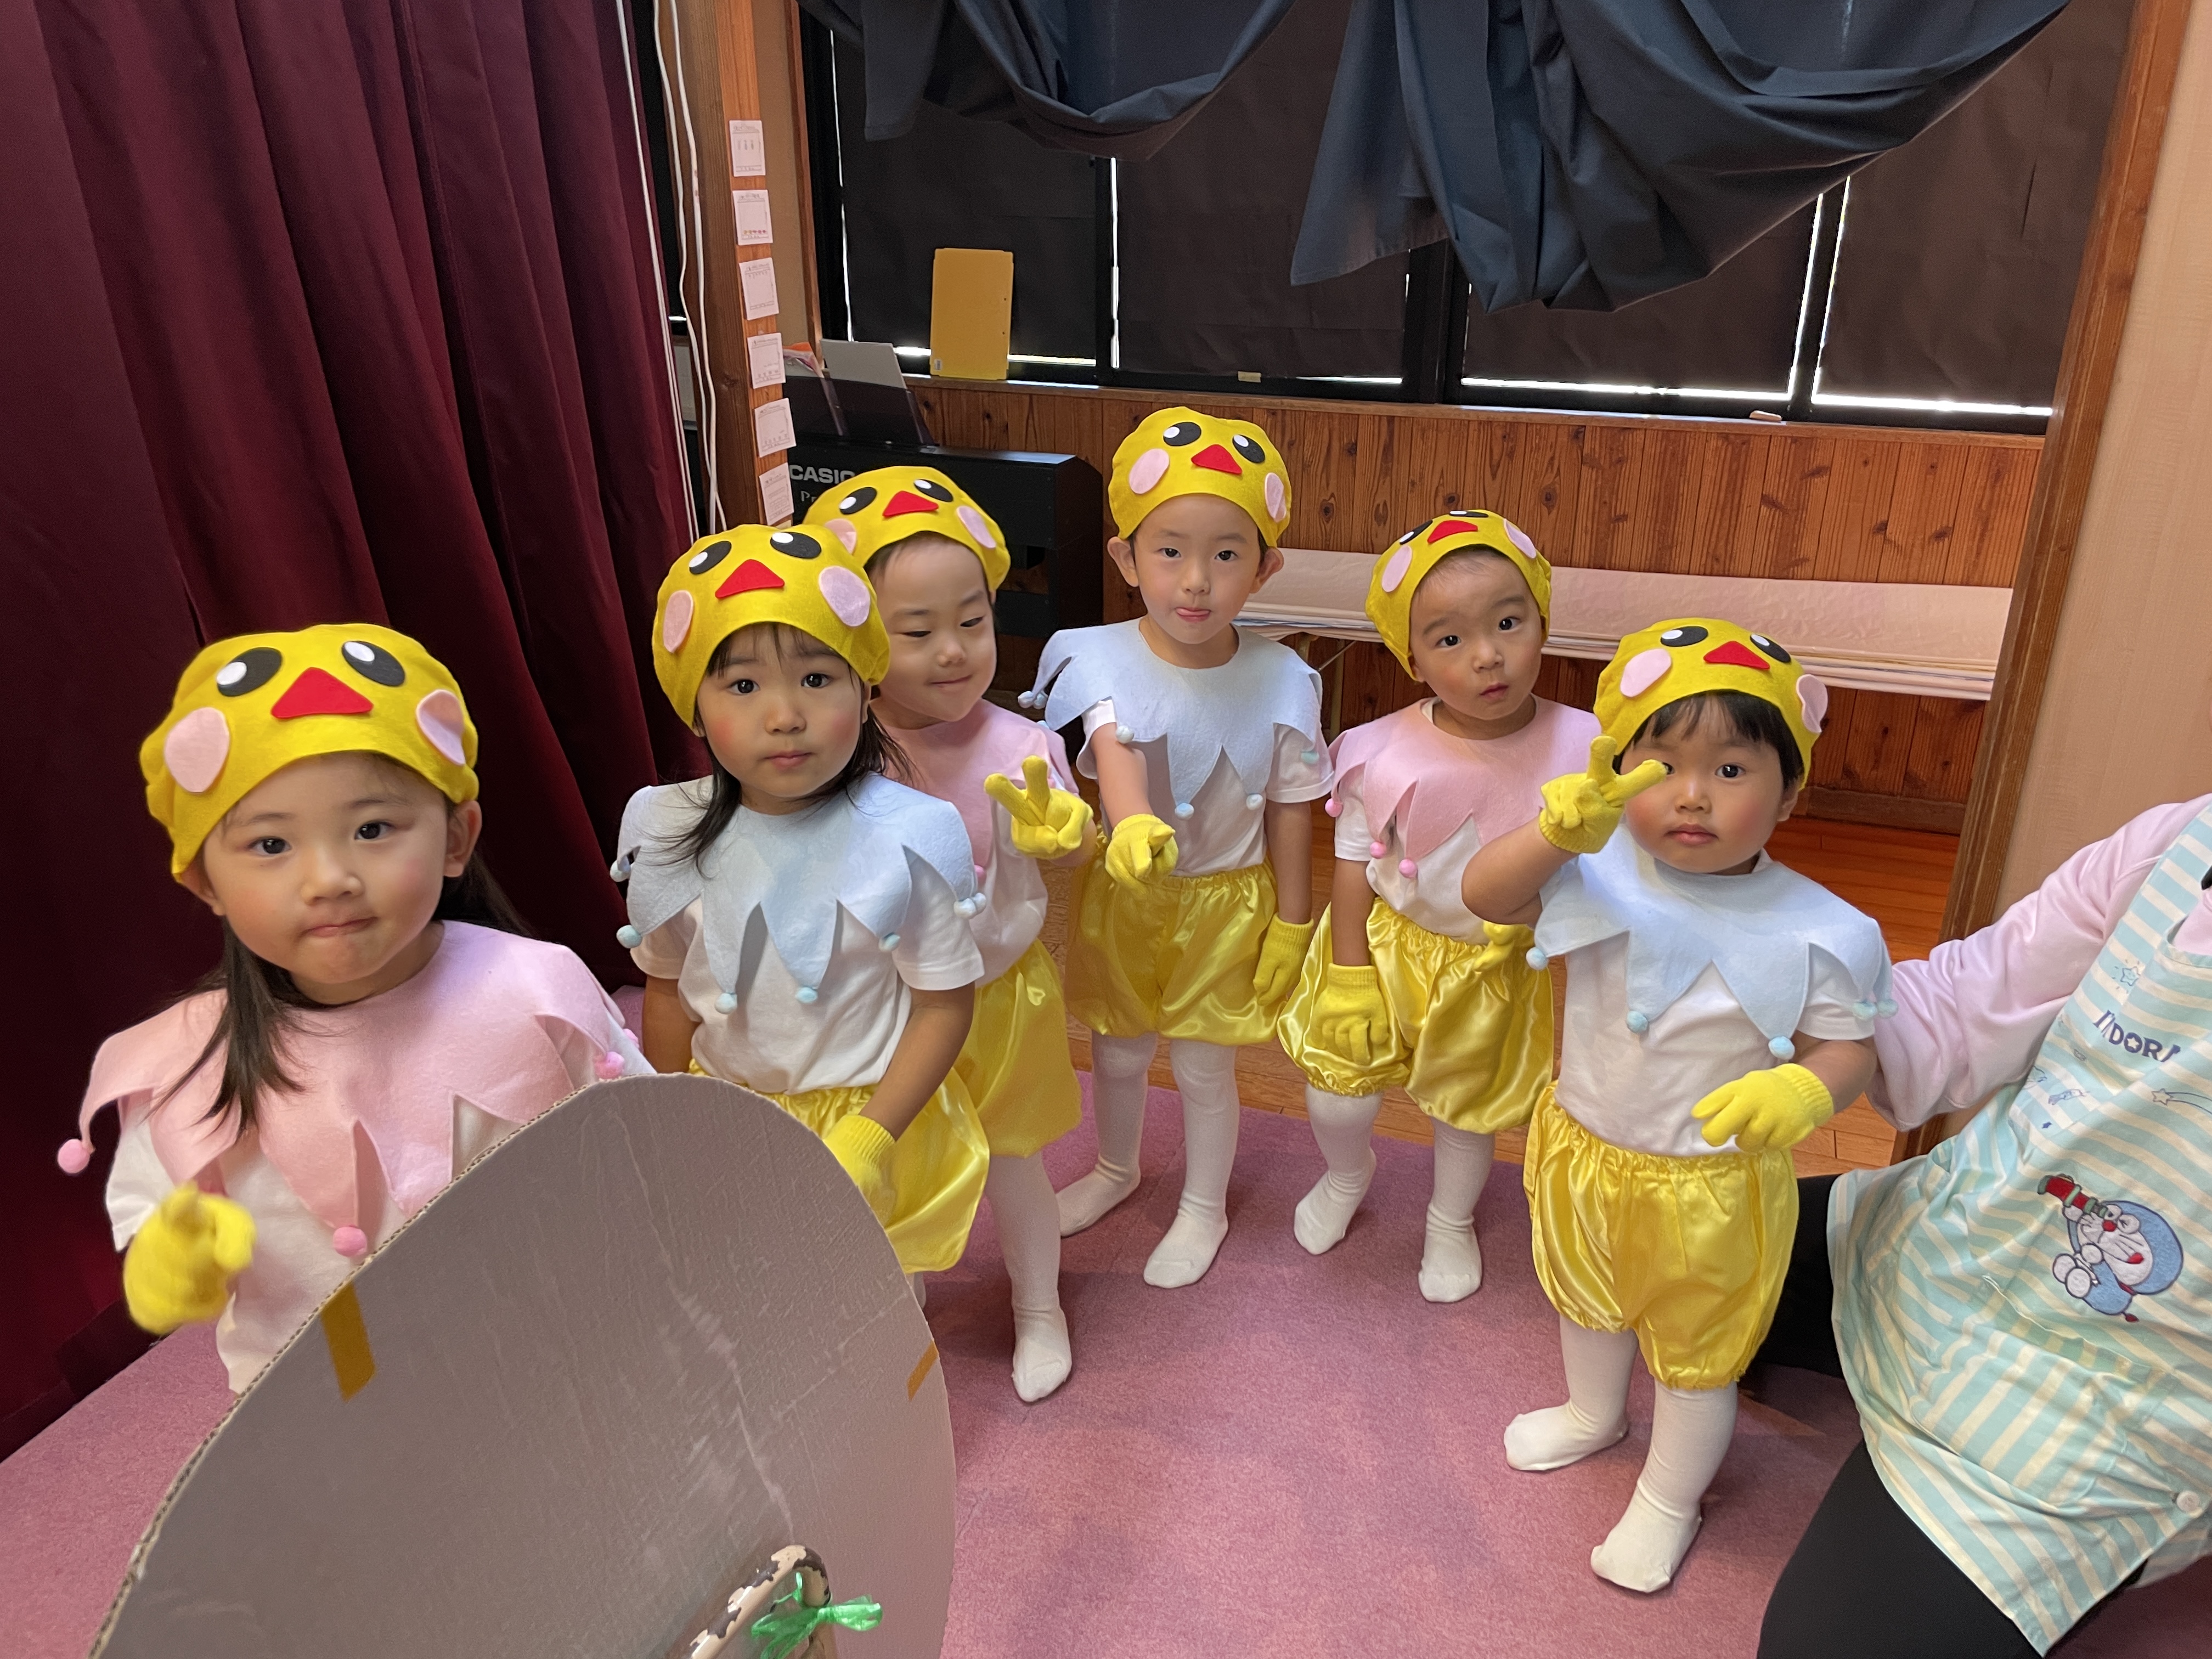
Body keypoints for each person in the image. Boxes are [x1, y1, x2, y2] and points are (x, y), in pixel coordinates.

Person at [58, 624, 647, 1391]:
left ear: (456, 838)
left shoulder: (539, 990)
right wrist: (177, 1265)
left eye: (372, 829)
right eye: (271, 845)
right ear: (205, 881)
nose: (329, 878)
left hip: (554, 1365)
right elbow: (156, 1231)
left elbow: (643, 1138)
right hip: (334, 1417)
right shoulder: (183, 1068)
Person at [1460, 618, 1891, 1592]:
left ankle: (1668, 1498)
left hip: (1711, 1191)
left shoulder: (1827, 929)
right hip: (1584, 1148)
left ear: (1792, 793)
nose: (1692, 794)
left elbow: (1848, 1048)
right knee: (1587, 1301)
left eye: (1732, 771)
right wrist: (1551, 833)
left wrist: (1806, 1087)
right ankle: (1594, 1414)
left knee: (1699, 1360)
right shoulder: (1594, 867)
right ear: (1620, 771)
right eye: (1661, 765)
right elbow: (1486, 895)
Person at [1757, 783, 2212, 1657]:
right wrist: (1792, 1006)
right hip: (1955, 1230)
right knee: (1655, 1256)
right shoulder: (2179, 840)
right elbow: (1970, 1001)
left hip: (2111, 1391)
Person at [616, 522, 990, 1282]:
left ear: (865, 689)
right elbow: (666, 990)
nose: (785, 715)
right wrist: (665, 1121)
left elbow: (944, 1003)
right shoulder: (666, 830)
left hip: (872, 1120)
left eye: (817, 680)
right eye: (743, 685)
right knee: (753, 1294)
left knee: (880, 1302)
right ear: (695, 709)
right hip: (729, 1120)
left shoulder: (912, 837)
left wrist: (870, 1137)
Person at [1022, 406, 1331, 1289]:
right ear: (1126, 559)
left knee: (1204, 1064)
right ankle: (1115, 1167)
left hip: (1229, 901)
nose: (1196, 581)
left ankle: (1204, 1204)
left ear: (1265, 568)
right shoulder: (1098, 658)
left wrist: (1293, 921)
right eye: (1169, 552)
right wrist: (1129, 828)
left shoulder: (1284, 678)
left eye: (1227, 555)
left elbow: (1292, 808)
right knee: (1118, 1049)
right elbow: (1115, 752)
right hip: (1128, 893)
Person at [805, 465, 1096, 1401]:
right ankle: (901, 1311)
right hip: (883, 1010)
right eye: (916, 631)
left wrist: (1069, 836)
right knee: (890, 1164)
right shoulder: (835, 756)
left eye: (972, 622)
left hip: (1001, 999)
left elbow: (1079, 849)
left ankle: (1040, 1306)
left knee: (1017, 1162)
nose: (953, 652)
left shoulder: (1024, 744)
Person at [1277, 511, 1594, 1300]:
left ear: (1543, 621)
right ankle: (1346, 1173)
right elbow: (1354, 860)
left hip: (1492, 967)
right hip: (1385, 945)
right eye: (1450, 639)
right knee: (1338, 1089)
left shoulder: (1585, 748)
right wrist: (1347, 969)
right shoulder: (1380, 747)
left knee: (1467, 1111)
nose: (1487, 655)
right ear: (1411, 659)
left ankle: (1450, 1219)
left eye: (1508, 623)